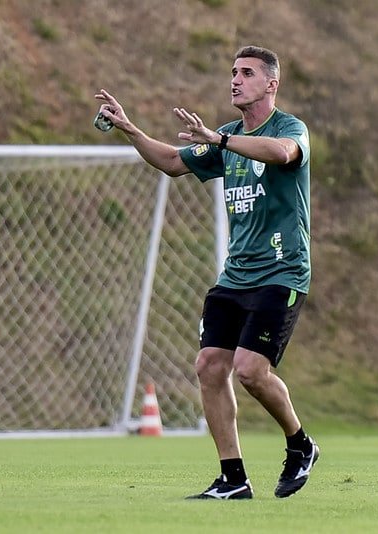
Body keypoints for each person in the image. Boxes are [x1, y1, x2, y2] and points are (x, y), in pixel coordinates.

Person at [94, 45, 318, 500]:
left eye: (247, 73)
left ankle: (300, 444)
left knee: (250, 371)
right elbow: (173, 162)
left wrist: (218, 140)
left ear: (271, 84)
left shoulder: (288, 129)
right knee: (209, 366)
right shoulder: (227, 137)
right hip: (235, 276)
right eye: (233, 72)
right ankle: (233, 478)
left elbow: (281, 153)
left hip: (281, 271)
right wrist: (129, 128)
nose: (235, 79)